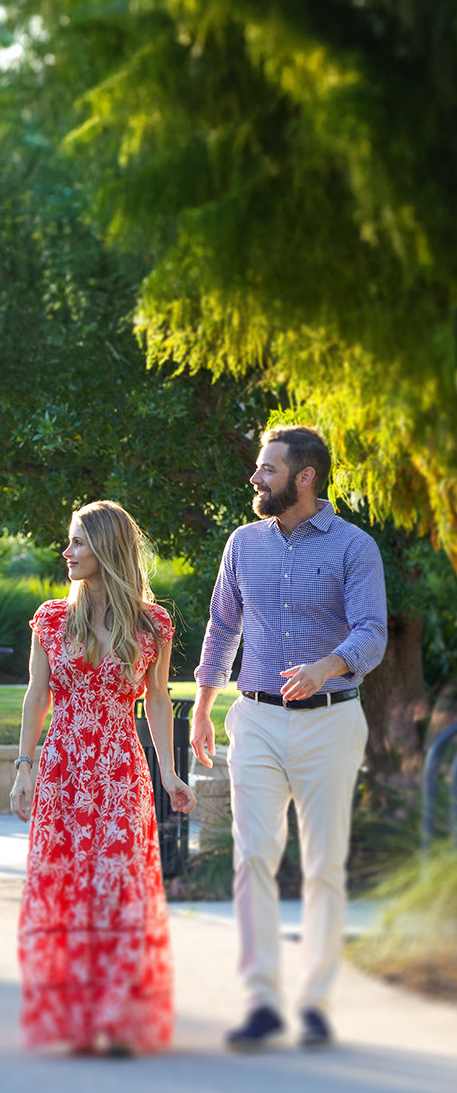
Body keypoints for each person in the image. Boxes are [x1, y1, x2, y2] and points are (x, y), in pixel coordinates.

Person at [190, 425, 387, 1052]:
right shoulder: (243, 543)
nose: (256, 479)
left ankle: (318, 1003)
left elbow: (373, 633)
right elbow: (223, 626)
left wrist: (325, 666)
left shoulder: (355, 547)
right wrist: (202, 705)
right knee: (254, 857)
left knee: (324, 865)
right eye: (257, 468)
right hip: (255, 719)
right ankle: (263, 1001)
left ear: (305, 477)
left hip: (331, 718)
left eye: (268, 469)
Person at [10, 499, 196, 1056]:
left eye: (79, 542)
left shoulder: (151, 622)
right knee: (67, 888)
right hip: (64, 767)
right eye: (68, 541)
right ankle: (74, 1017)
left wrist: (169, 773)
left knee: (118, 891)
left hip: (119, 770)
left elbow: (158, 701)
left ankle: (116, 1016)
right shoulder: (51, 618)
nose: (67, 552)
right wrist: (24, 768)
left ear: (108, 548)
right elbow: (36, 696)